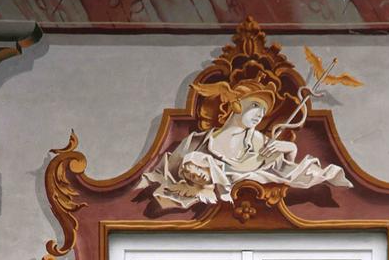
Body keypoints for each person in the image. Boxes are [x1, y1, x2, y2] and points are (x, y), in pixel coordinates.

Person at [141, 80, 350, 210]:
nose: (260, 115)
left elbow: (286, 175)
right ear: (236, 104)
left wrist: (290, 150)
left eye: (263, 110)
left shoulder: (263, 144)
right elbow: (161, 175)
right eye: (255, 106)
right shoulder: (198, 142)